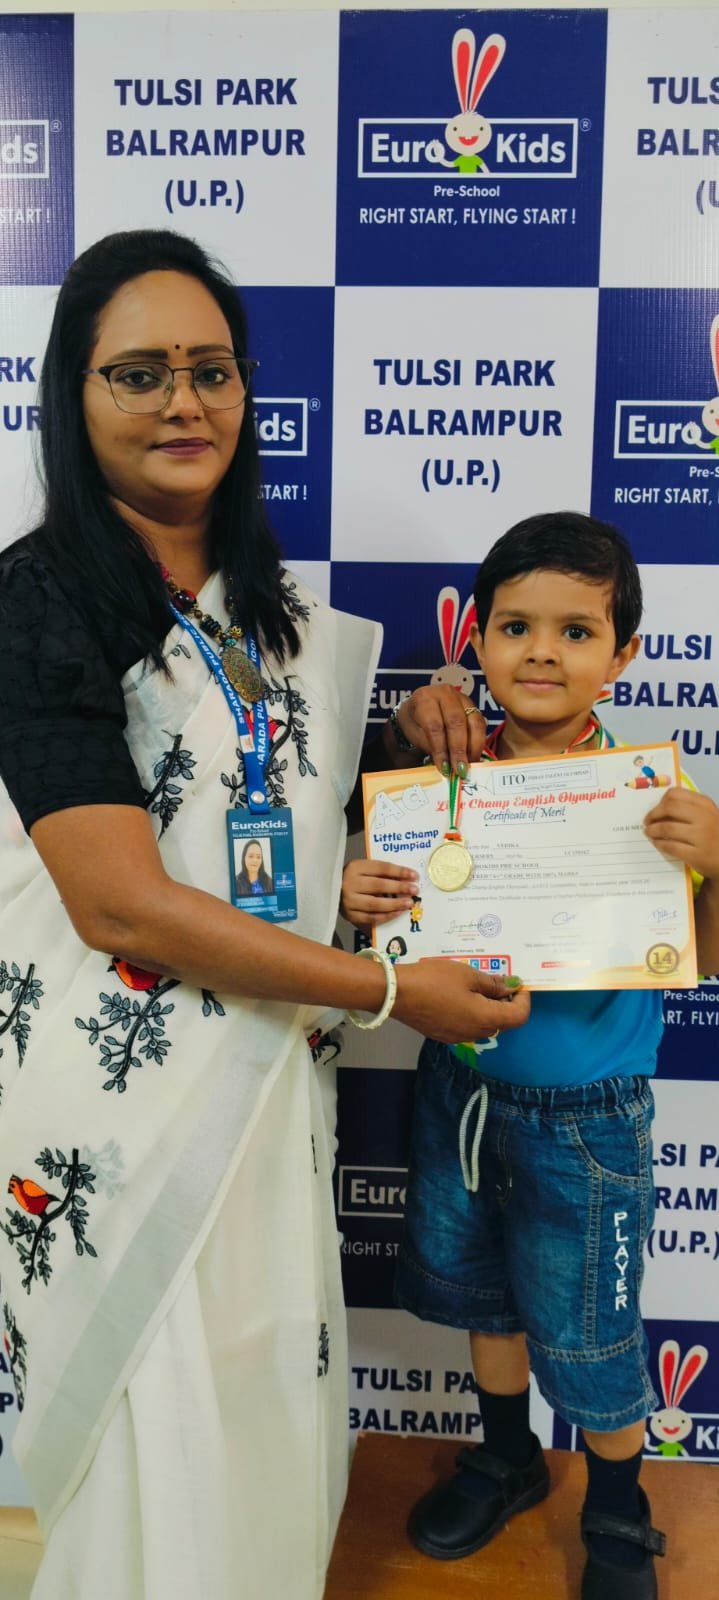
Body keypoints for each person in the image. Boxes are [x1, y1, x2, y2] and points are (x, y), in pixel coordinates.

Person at [0, 228, 530, 1600]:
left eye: (211, 369)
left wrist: (409, 742)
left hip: (267, 1083)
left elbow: (287, 822)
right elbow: (120, 899)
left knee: (253, 1406)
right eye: (139, 373)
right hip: (112, 1111)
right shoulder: (37, 599)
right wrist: (389, 994)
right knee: (149, 1423)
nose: (183, 401)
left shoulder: (271, 616)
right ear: (74, 395)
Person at [341, 511, 719, 1600]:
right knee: (482, 1299)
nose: (541, 652)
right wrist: (360, 896)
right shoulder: (436, 777)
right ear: (478, 640)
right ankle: (505, 1457)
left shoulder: (655, 797)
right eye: (515, 627)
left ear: (623, 653)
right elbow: (390, 920)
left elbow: (697, 957)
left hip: (588, 1119)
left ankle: (617, 1513)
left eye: (574, 631)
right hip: (458, 1089)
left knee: (593, 1333)